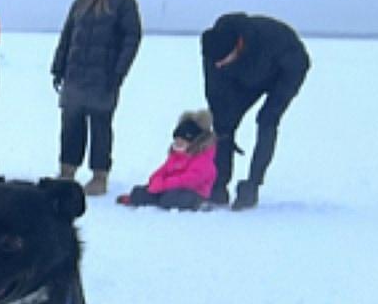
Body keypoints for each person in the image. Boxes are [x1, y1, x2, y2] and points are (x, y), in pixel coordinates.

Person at [51, 0, 142, 196]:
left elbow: (131, 38)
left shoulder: (124, 2)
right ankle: (67, 170)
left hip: (104, 77)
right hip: (75, 75)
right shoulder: (80, 3)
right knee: (71, 124)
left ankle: (99, 176)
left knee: (100, 127)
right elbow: (67, 36)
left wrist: (119, 72)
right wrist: (58, 66)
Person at [201, 12, 310, 210]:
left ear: (237, 47)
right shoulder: (214, 47)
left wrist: (277, 103)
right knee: (223, 123)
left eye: (222, 61)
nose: (217, 65)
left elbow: (297, 67)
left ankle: (252, 186)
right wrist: (221, 119)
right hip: (242, 79)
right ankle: (218, 185)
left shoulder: (276, 40)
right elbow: (214, 90)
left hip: (283, 75)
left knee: (267, 120)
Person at [117, 111, 217, 210]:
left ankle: (200, 204)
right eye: (176, 140)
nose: (178, 143)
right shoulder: (176, 154)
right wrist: (155, 181)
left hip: (194, 191)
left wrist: (165, 184)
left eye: (182, 141)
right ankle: (138, 198)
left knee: (169, 199)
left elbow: (191, 180)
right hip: (169, 187)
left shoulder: (203, 159)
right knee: (141, 192)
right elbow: (163, 170)